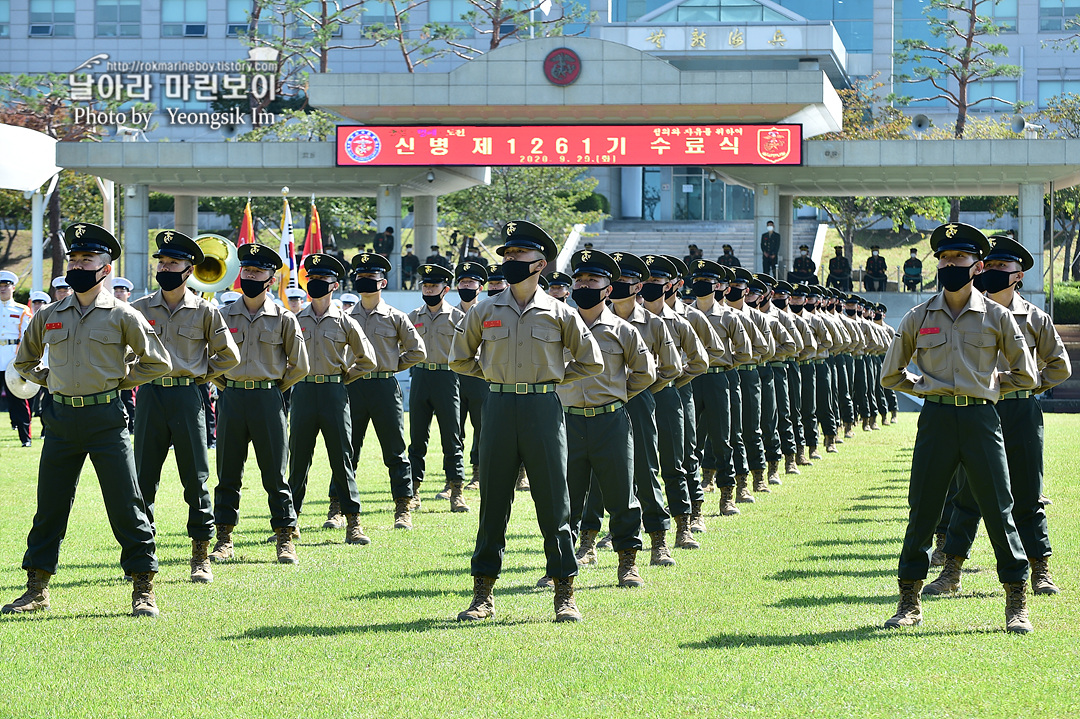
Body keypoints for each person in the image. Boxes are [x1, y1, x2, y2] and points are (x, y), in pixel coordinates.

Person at [4, 222, 171, 617]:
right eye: (74, 259)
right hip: (59, 418)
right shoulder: (49, 315)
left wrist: (119, 381)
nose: (78, 265)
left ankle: (143, 587)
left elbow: (158, 362)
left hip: (105, 417)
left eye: (87, 259)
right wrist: (51, 380)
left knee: (126, 504)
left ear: (105, 268)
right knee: (50, 506)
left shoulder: (122, 314)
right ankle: (37, 588)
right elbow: (25, 361)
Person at [881, 222, 1037, 634]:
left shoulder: (998, 316)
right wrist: (924, 385)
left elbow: (1027, 373)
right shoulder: (919, 316)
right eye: (945, 258)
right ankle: (908, 600)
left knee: (999, 510)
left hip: (981, 419)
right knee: (923, 510)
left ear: (977, 265)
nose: (951, 264)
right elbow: (891, 374)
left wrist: (989, 385)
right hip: (935, 419)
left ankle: (1015, 601)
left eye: (960, 258)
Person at [451, 220, 603, 624]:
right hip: (498, 409)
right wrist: (498, 377)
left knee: (555, 504)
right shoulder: (484, 309)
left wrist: (550, 379)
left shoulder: (559, 312)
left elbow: (591, 361)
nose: (510, 261)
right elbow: (459, 359)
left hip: (543, 411)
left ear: (540, 264)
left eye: (518, 256)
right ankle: (482, 594)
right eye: (508, 255)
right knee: (493, 503)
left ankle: (564, 593)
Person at [925, 235, 1071, 598]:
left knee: (1027, 491)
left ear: (1018, 275)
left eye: (1001, 267)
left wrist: (1027, 388)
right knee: (969, 492)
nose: (991, 272)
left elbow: (1060, 365)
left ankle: (1040, 570)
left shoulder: (1035, 317)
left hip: (1020, 410)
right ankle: (952, 570)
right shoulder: (972, 312)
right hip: (979, 410)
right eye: (988, 265)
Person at [540, 249, 655, 589]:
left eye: (592, 280)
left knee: (622, 496)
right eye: (579, 279)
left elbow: (645, 373)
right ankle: (558, 564)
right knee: (564, 500)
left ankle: (627, 563)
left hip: (611, 422)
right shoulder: (558, 325)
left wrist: (616, 394)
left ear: (608, 289)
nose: (583, 285)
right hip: (568, 422)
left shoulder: (622, 330)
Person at [130, 230, 240, 584]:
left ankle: (201, 554)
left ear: (188, 268)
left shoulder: (205, 310)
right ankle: (141, 552)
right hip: (149, 397)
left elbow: (229, 355)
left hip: (187, 397)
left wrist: (200, 376)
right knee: (143, 478)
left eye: (172, 263)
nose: (165, 268)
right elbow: (120, 352)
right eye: (161, 262)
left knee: (195, 478)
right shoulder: (138, 309)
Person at [210, 242, 309, 566]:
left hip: (268, 399)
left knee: (275, 474)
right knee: (227, 472)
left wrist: (274, 387)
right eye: (247, 270)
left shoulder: (283, 317)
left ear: (270, 279)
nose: (250, 275)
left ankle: (284, 537)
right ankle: (224, 539)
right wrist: (225, 384)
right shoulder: (223, 315)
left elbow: (301, 364)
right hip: (233, 398)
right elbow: (210, 357)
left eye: (258, 271)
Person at [578, 251, 678, 568]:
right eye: (616, 279)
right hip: (590, 408)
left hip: (635, 401)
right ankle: (587, 543)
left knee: (644, 470)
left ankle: (658, 542)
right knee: (590, 478)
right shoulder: (577, 320)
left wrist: (629, 392)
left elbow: (667, 368)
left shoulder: (650, 323)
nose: (620, 284)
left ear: (638, 286)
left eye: (626, 280)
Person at [287, 253, 377, 546]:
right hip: (302, 392)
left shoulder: (345, 321)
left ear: (334, 285)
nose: (315, 284)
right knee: (298, 459)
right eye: (311, 280)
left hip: (334, 393)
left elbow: (368, 359)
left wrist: (343, 378)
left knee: (342, 459)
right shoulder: (294, 319)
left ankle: (353, 523)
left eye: (322, 280)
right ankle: (291, 521)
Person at [341, 252, 426, 530]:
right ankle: (338, 507)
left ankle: (403, 507)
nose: (365, 282)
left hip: (384, 387)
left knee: (395, 451)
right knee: (345, 450)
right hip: (353, 386)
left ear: (383, 282)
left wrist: (390, 365)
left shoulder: (395, 316)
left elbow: (417, 351)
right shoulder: (345, 316)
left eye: (371, 278)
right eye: (360, 278)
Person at [407, 264, 468, 512]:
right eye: (426, 285)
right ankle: (413, 491)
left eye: (433, 286)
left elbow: (469, 350)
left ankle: (456, 491)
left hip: (447, 379)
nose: (429, 289)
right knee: (417, 439)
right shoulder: (412, 317)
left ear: (445, 289)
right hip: (420, 378)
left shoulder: (458, 318)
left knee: (452, 438)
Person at [451, 261, 488, 493]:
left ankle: (478, 473)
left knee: (481, 427)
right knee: (453, 430)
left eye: (471, 282)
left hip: (478, 376)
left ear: (480, 287)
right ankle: (453, 478)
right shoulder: (448, 314)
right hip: (452, 378)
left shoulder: (487, 312)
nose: (466, 285)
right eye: (463, 282)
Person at [1, 270, 32, 447]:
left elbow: (27, 336)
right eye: (0, 286)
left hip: (12, 361)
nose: (3, 289)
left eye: (6, 286)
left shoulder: (22, 310)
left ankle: (25, 438)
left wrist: (21, 361)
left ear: (13, 287)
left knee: (18, 400)